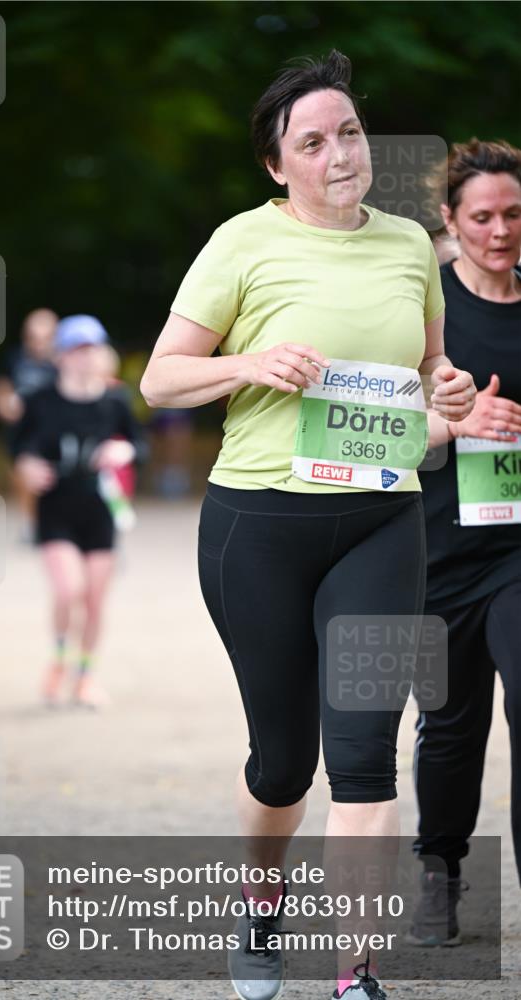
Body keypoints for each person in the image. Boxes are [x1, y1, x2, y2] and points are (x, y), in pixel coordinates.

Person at [140, 51, 476, 1000]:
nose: (340, 154)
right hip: (259, 526)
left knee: (364, 759)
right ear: (276, 163)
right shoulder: (241, 242)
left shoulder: (408, 246)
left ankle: (351, 974)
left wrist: (445, 390)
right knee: (282, 765)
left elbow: (427, 373)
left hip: (381, 521)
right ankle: (259, 904)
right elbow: (159, 379)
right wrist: (247, 365)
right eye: (314, 141)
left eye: (350, 133)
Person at [409, 139, 521, 946]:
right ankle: (438, 870)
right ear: (449, 220)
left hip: (517, 550)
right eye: (481, 216)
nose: (499, 231)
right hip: (437, 546)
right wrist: (455, 421)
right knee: (450, 726)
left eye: (513, 214)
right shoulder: (422, 310)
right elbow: (374, 430)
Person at [13, 314, 144, 708]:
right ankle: (58, 661)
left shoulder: (115, 400)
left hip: (100, 508)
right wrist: (26, 465)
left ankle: (85, 677)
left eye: (92, 349)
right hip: (56, 507)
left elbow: (140, 444)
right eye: (77, 350)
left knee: (94, 600)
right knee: (69, 590)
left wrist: (125, 450)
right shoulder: (41, 399)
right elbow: (17, 444)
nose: (86, 357)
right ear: (61, 356)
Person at [0, 308, 58, 540]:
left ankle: (54, 522)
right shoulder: (15, 358)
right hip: (23, 429)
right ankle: (31, 522)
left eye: (45, 338)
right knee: (22, 476)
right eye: (33, 337)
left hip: (53, 429)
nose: (39, 344)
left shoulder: (62, 360)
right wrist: (4, 406)